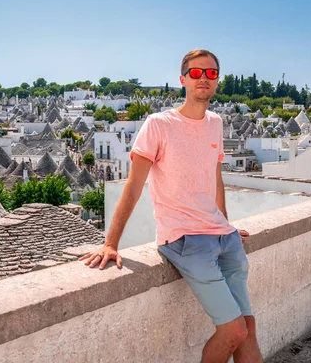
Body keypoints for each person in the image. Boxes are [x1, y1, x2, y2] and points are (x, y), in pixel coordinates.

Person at [79, 49, 262, 363]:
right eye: (195, 73)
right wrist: (110, 243)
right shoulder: (158, 125)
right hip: (185, 240)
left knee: (248, 328)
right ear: (183, 80)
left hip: (224, 238)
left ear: (217, 80)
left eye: (211, 73)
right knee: (233, 331)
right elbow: (134, 186)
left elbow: (214, 180)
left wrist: (225, 224)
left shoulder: (215, 123)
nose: (203, 78)